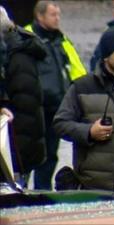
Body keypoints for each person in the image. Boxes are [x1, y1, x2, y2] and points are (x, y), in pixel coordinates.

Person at [53, 28, 114, 193]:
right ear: (106, 56)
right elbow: (60, 124)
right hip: (91, 187)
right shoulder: (82, 86)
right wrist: (89, 132)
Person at [24, 0, 87, 190]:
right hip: (34, 107)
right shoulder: (26, 37)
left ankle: (42, 191)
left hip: (56, 107)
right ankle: (21, 189)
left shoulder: (61, 39)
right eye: (53, 15)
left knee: (51, 154)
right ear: (40, 16)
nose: (57, 19)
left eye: (58, 14)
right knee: (28, 153)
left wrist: (84, 91)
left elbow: (77, 69)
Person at [1, 5, 47, 186]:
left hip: (14, 141)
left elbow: (21, 102)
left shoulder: (11, 54)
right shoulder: (23, 47)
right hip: (27, 140)